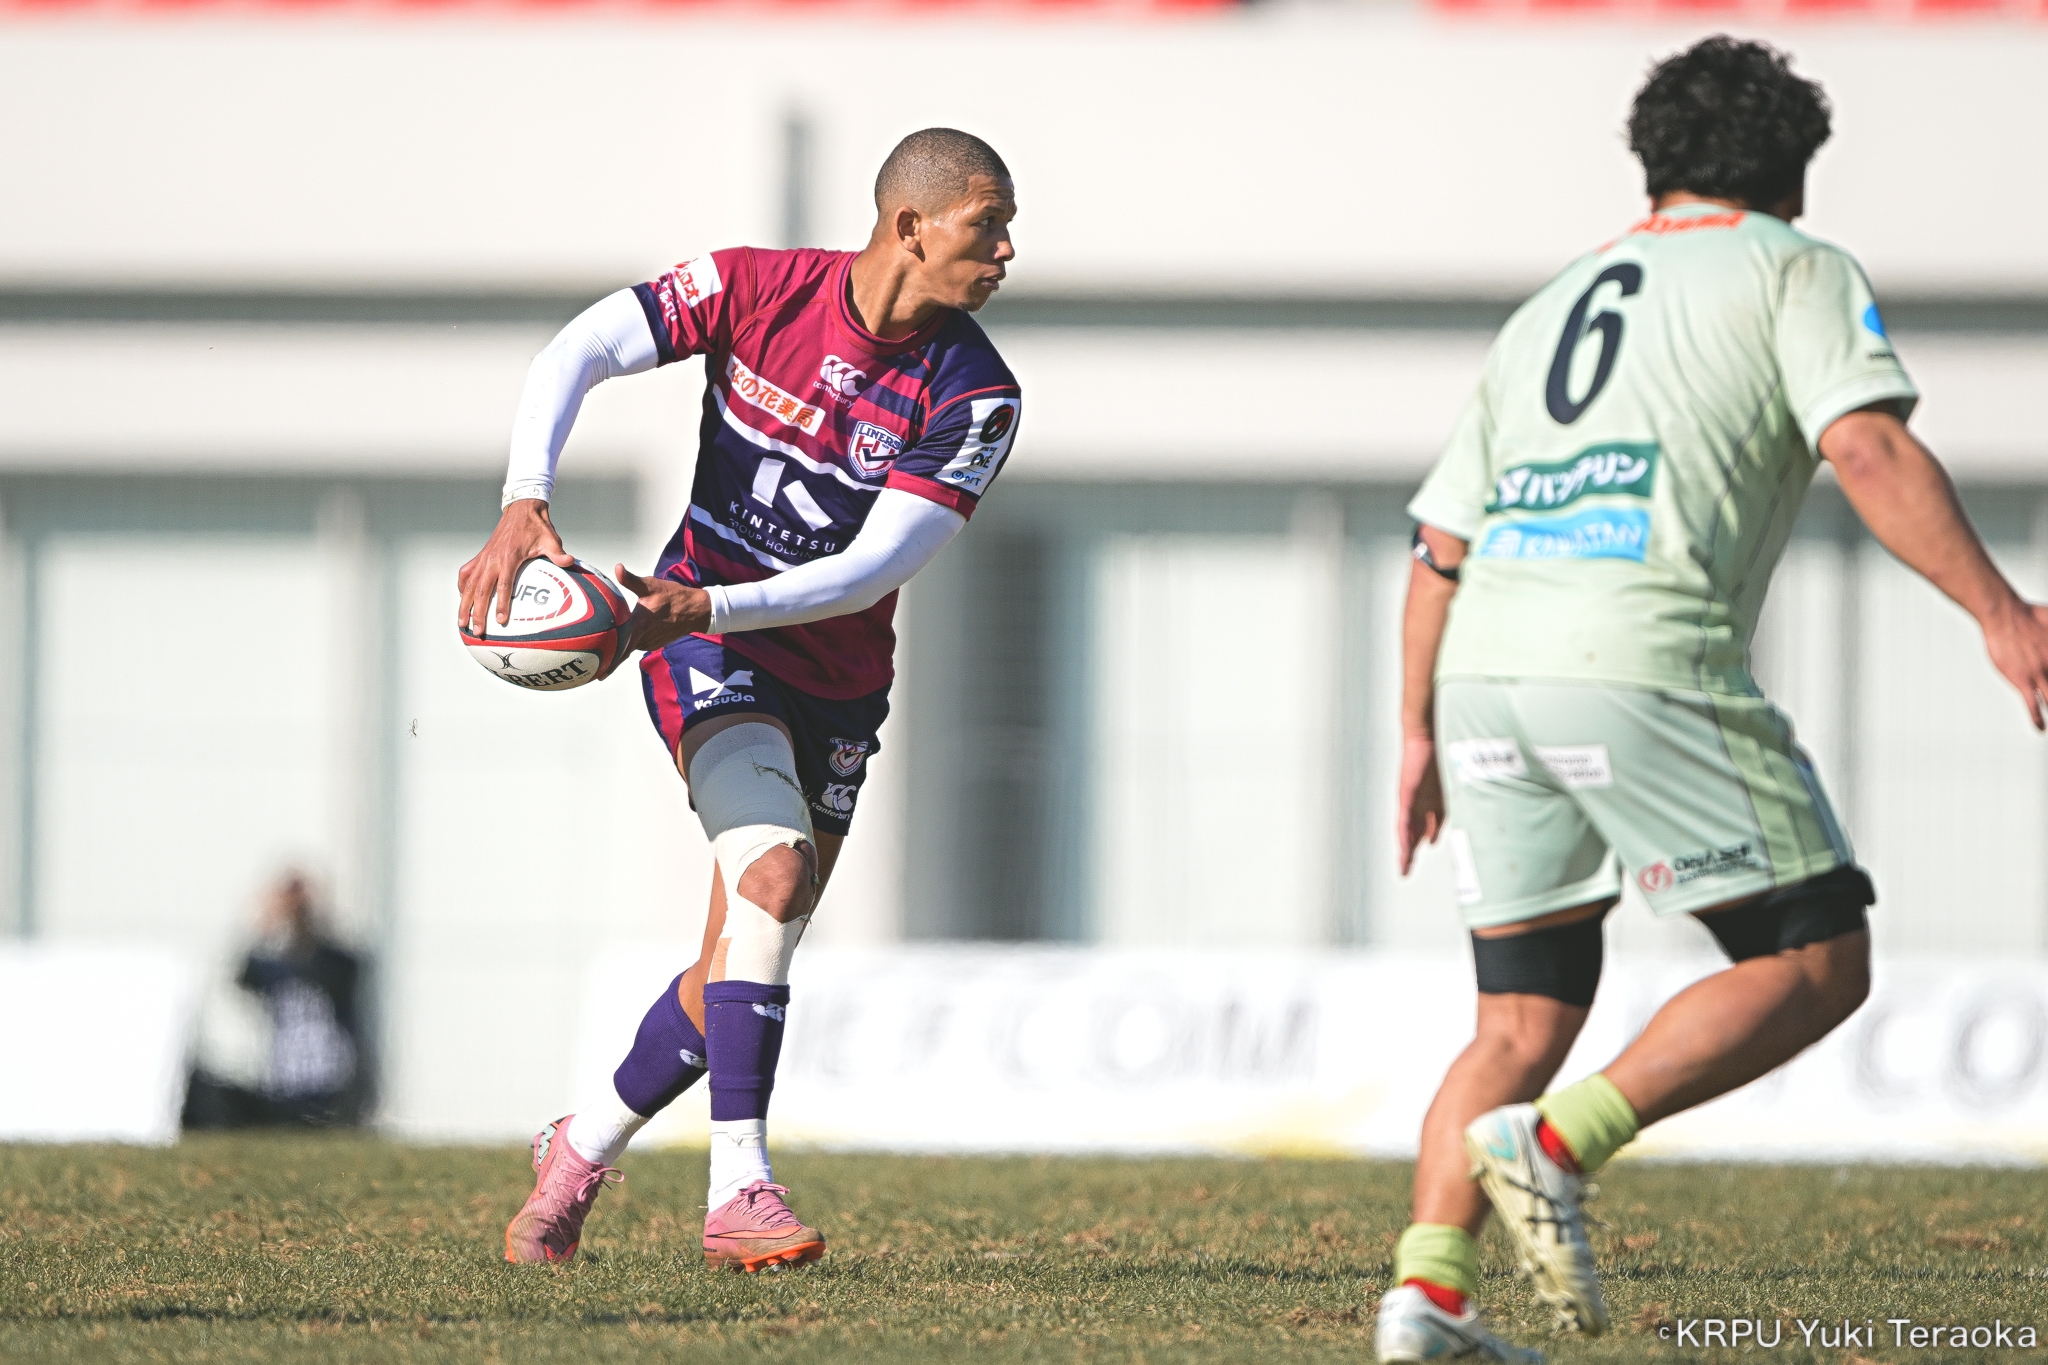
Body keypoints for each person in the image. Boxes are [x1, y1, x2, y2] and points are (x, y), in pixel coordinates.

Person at [1374, 37, 2048, 1363]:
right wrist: (2001, 611)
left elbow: (1438, 544)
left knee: (1518, 1015)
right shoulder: (1792, 267)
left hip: (1482, 674)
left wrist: (1414, 728)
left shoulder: (1552, 302)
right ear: (1793, 172)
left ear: (1653, 164)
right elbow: (1866, 443)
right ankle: (1559, 1143)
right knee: (1814, 957)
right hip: (1636, 655)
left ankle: (1428, 1297)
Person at [460, 128, 1021, 1271]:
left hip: (829, 681)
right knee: (771, 878)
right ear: (910, 227)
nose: (1006, 251)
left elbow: (870, 570)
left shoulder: (978, 394)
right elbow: (579, 349)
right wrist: (526, 498)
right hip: (705, 651)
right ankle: (739, 1192)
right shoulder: (752, 288)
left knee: (741, 953)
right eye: (987, 225)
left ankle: (575, 1154)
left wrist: (703, 605)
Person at [236, 871, 364, 1127]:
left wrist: (314, 917)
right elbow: (244, 975)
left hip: (331, 1081)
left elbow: (345, 965)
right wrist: (268, 924)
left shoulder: (332, 963)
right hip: (286, 1081)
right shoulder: (276, 968)